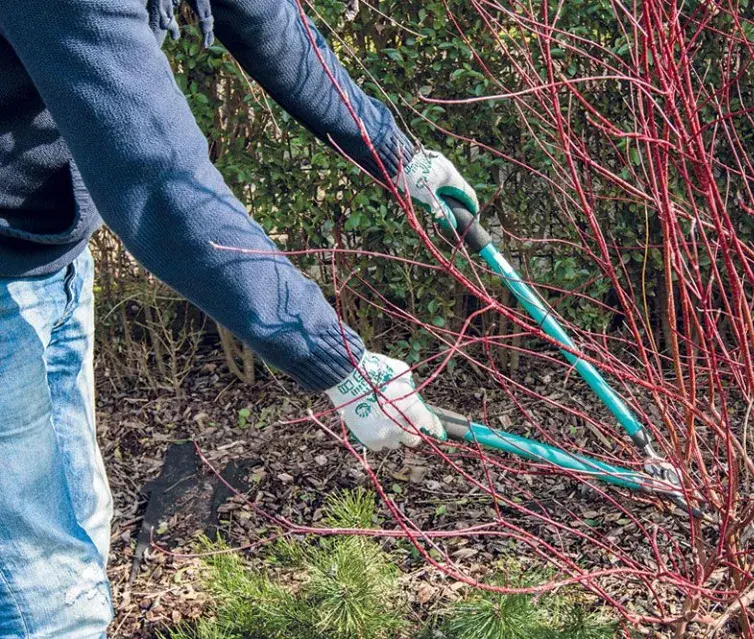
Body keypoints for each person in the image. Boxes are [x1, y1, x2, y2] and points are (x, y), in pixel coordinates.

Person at [0, 0, 479, 636]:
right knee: (47, 586)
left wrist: (397, 156)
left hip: (43, 251)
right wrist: (336, 360)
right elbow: (157, 177)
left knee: (76, 520)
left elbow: (269, 25)